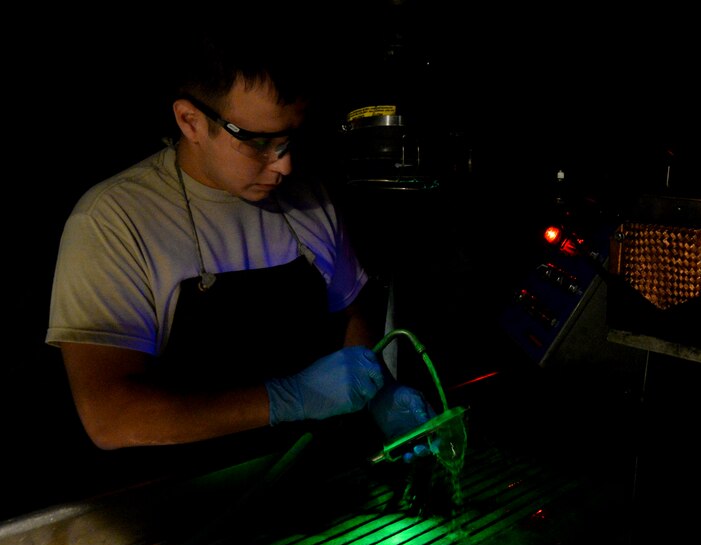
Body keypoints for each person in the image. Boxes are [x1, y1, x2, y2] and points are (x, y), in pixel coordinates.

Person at [45, 29, 434, 476]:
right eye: (258, 142)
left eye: (289, 139)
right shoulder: (113, 221)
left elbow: (352, 312)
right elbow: (111, 416)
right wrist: (288, 398)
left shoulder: (308, 198)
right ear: (190, 121)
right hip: (183, 494)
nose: (284, 164)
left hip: (314, 478)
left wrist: (377, 391)